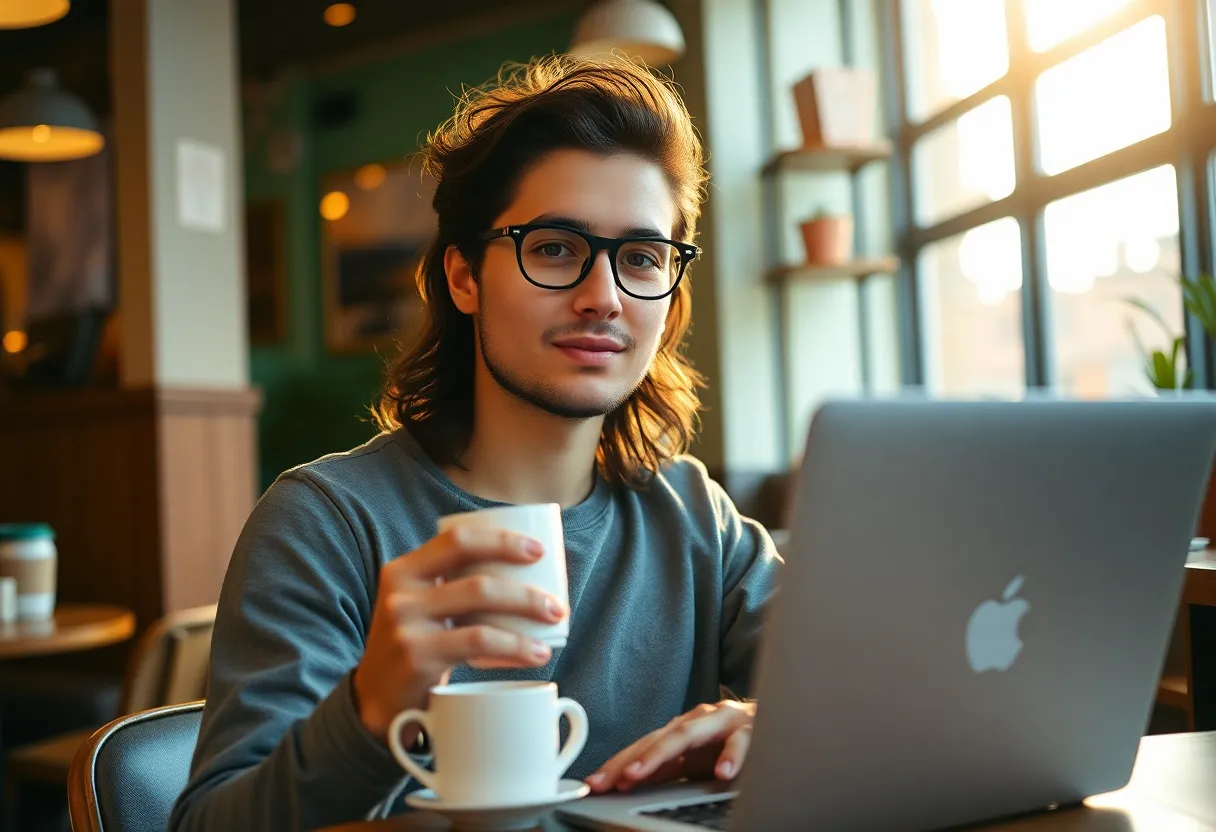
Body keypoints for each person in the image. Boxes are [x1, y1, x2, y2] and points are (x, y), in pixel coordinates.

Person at [170, 52, 782, 831]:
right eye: (556, 248)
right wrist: (368, 709)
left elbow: (869, 683)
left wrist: (773, 719)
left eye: (641, 258)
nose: (605, 298)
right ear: (463, 278)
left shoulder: (695, 516)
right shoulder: (327, 523)